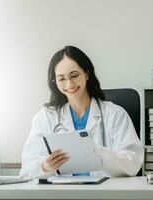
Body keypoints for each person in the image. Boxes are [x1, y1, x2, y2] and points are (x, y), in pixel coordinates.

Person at [19, 46, 144, 178]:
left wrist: (99, 154)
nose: (69, 84)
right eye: (62, 79)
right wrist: (45, 166)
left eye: (74, 75)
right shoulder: (45, 117)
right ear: (55, 82)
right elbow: (26, 169)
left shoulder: (115, 114)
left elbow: (133, 162)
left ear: (87, 74)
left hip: (105, 194)